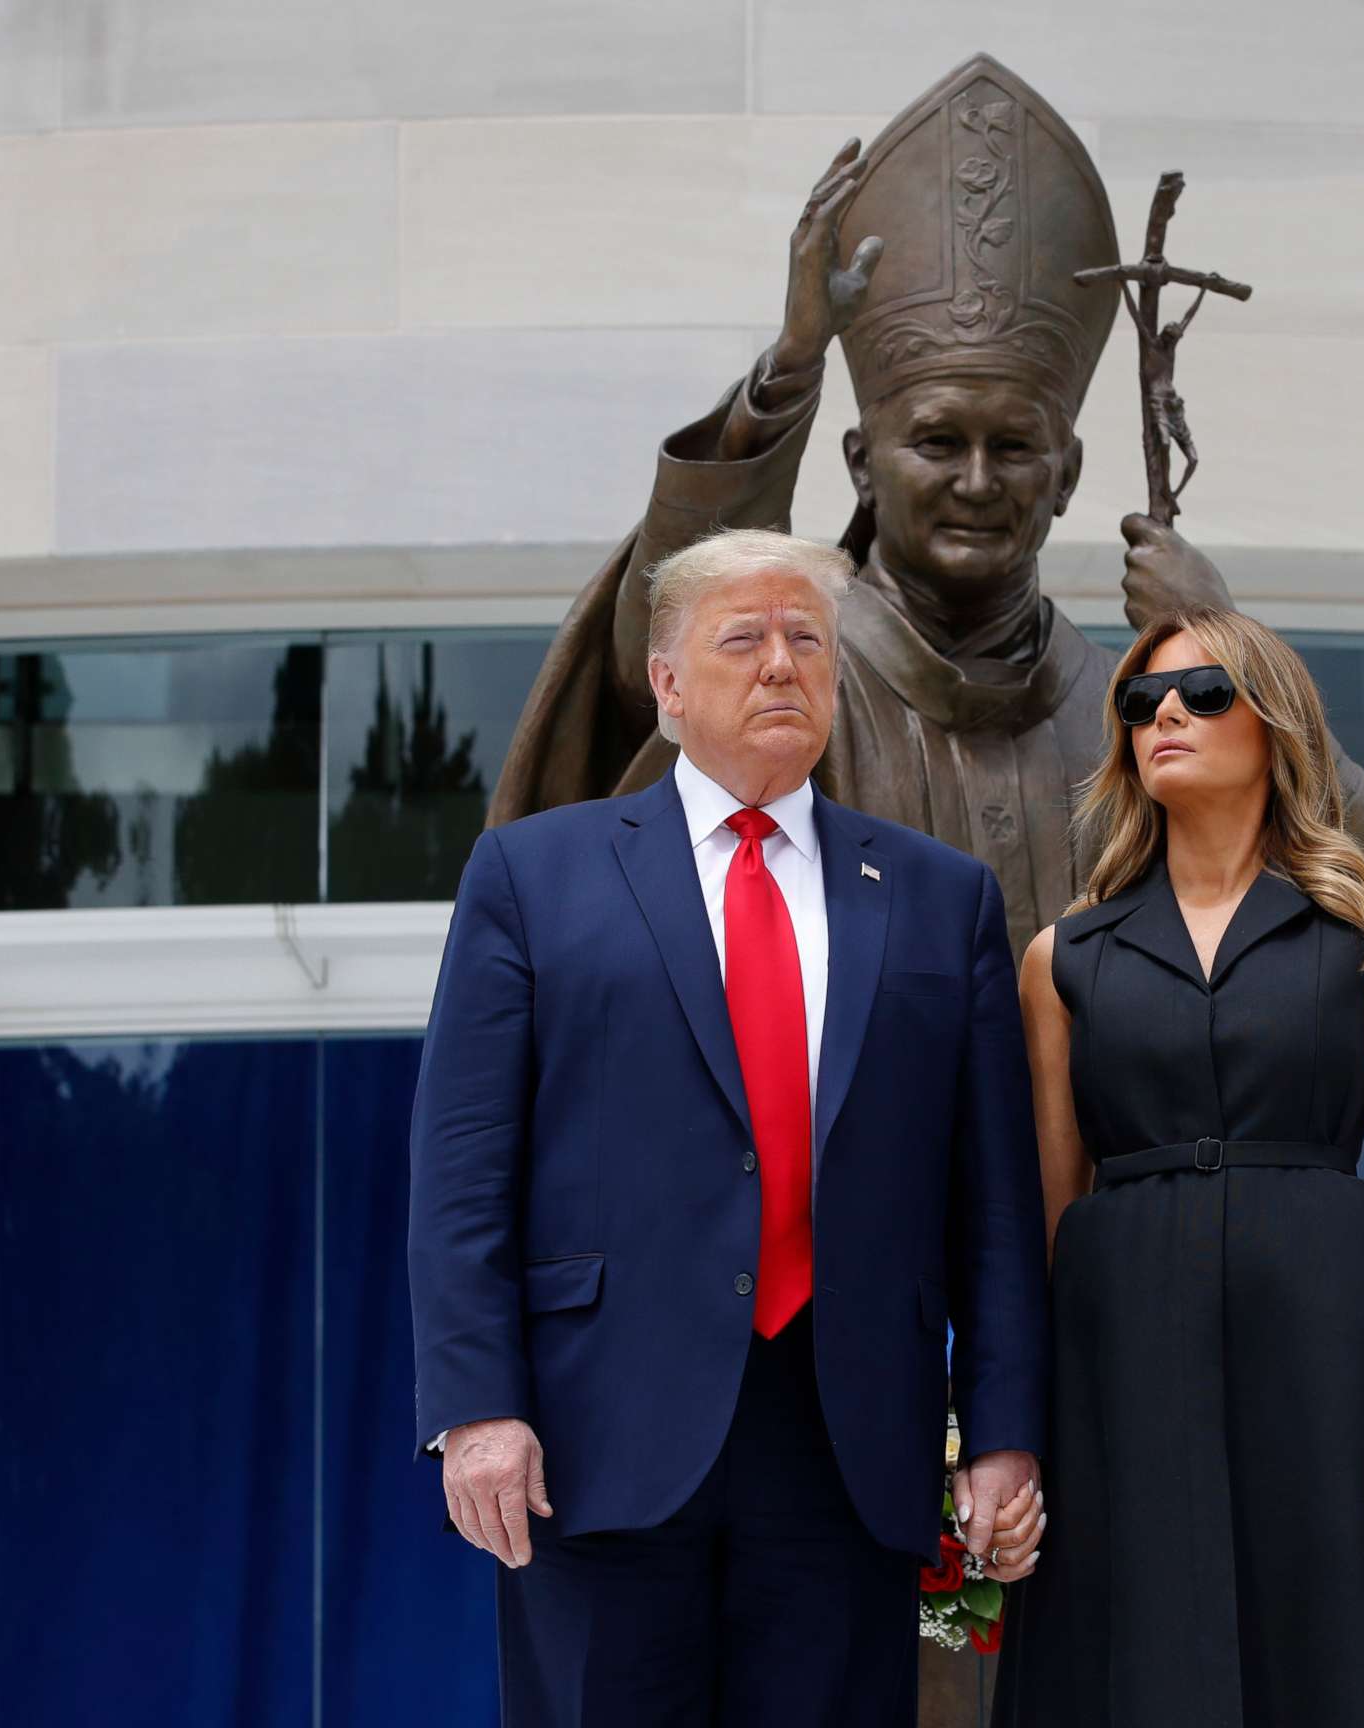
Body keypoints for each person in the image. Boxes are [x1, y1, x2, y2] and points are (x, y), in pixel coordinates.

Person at [487, 52, 1364, 959]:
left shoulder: (1140, 715)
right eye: (939, 443)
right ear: (863, 463)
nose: (978, 484)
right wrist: (792, 368)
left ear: (1064, 475)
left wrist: (1226, 650)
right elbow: (650, 646)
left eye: (1015, 448)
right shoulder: (794, 685)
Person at [407, 527, 1050, 1726]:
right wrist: (476, 1407)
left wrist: (1005, 1432)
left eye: (807, 639)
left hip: (847, 1439)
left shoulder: (936, 896)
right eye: (743, 639)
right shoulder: (533, 876)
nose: (780, 666)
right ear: (666, 683)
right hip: (595, 1440)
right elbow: (461, 1172)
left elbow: (995, 1207)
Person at [989, 606, 1364, 1726]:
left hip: (1330, 1359)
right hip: (1120, 1369)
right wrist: (1010, 1432)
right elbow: (1049, 1216)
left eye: (1205, 692)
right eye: (1141, 702)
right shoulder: (1063, 959)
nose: (1166, 713)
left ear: (1274, 722)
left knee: (1343, 1666)